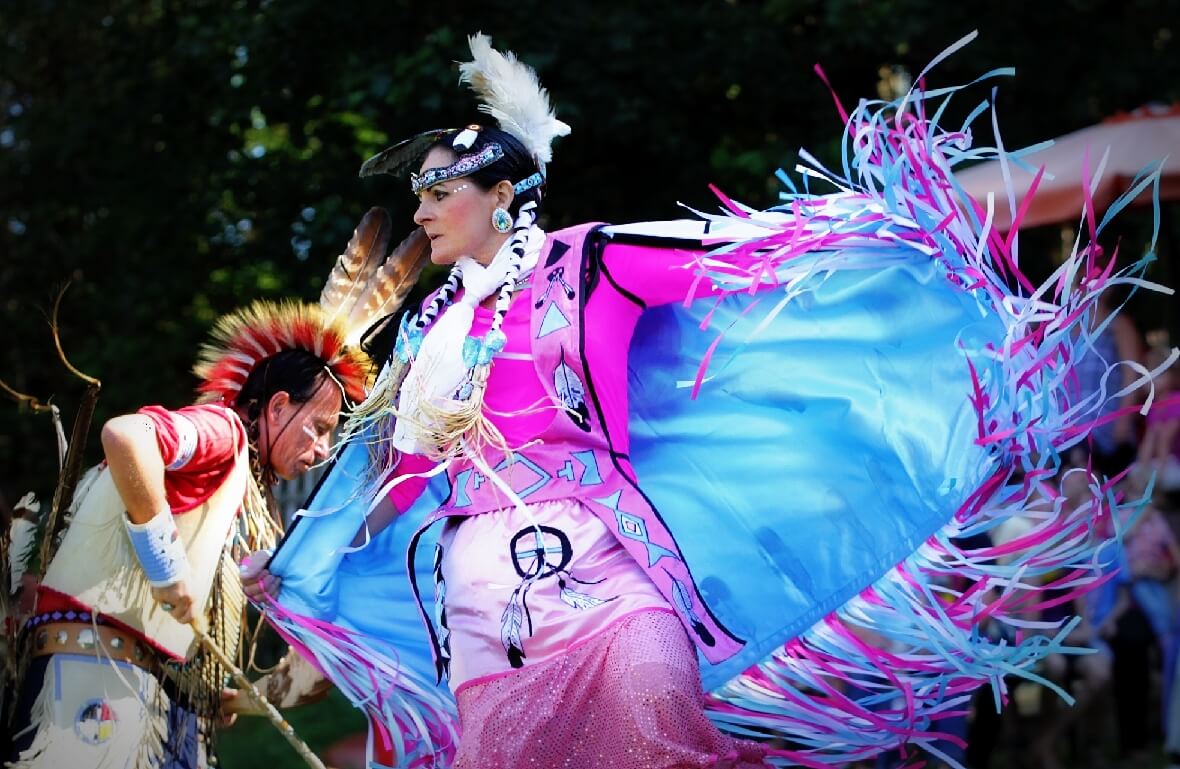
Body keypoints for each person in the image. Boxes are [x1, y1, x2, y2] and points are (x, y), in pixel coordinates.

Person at [249, 34, 1167, 769]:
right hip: (483, 615)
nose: (420, 214)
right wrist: (300, 566)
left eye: (438, 193)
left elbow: (757, 256)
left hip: (607, 578)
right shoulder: (429, 333)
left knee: (660, 734)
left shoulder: (591, 261)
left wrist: (918, 215)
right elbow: (389, 478)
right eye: (417, 197)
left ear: (501, 196)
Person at [3, 301, 370, 769]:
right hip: (95, 690)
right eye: (318, 428)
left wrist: (228, 697)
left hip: (140, 697)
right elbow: (128, 435)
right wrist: (164, 562)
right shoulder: (223, 430)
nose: (321, 450)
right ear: (277, 407)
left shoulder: (238, 493)